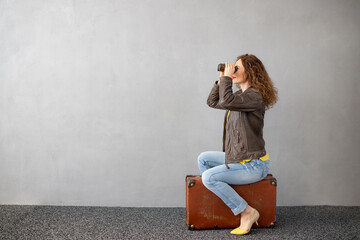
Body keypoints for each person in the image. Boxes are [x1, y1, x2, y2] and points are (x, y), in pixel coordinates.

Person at [198, 54, 278, 235]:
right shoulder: (240, 96)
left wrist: (227, 77)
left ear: (250, 72)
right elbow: (213, 102)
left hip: (253, 164)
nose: (233, 71)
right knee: (203, 159)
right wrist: (221, 81)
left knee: (209, 178)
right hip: (239, 158)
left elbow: (226, 101)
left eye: (237, 68)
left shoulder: (254, 97)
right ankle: (225, 203)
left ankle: (247, 211)